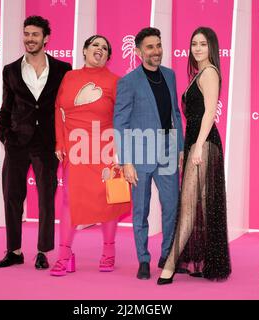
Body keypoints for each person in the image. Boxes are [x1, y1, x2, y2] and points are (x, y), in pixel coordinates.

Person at [0, 16, 71, 269]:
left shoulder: (62, 69)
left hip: (47, 143)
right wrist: (5, 134)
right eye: (26, 34)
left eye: (35, 34)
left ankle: (42, 251)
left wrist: (63, 139)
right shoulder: (11, 70)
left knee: (47, 198)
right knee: (12, 196)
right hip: (16, 141)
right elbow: (6, 107)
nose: (30, 39)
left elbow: (65, 108)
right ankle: (13, 250)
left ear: (46, 38)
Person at [50, 35, 131, 276]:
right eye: (95, 45)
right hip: (75, 151)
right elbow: (59, 110)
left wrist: (120, 152)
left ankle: (108, 251)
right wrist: (60, 142)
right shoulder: (69, 76)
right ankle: (64, 255)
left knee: (108, 198)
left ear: (108, 56)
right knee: (69, 200)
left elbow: (123, 118)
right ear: (84, 50)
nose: (100, 49)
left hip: (104, 149)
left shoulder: (116, 82)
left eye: (105, 48)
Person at [157, 27, 231, 285]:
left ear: (211, 46)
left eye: (203, 43)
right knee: (200, 205)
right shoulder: (198, 74)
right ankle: (205, 262)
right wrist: (187, 148)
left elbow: (210, 113)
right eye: (194, 44)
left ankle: (169, 265)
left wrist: (198, 146)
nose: (197, 48)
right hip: (196, 144)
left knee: (188, 206)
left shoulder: (210, 73)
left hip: (204, 144)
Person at [114, 27, 184, 280]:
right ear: (138, 51)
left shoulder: (170, 75)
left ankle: (167, 256)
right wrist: (126, 161)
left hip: (167, 151)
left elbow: (175, 113)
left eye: (158, 45)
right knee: (140, 211)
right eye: (150, 47)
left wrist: (179, 148)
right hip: (140, 155)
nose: (156, 51)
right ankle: (143, 259)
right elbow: (120, 123)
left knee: (172, 206)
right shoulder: (128, 82)